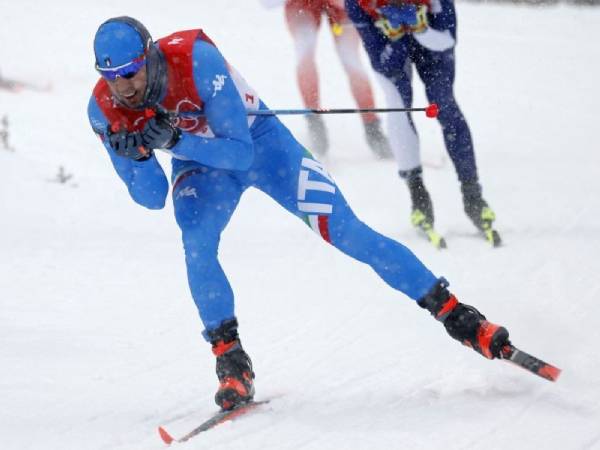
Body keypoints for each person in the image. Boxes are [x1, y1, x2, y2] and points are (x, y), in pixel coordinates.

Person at [88, 16, 510, 411]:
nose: (123, 86)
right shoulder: (104, 109)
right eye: (111, 76)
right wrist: (140, 157)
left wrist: (177, 141)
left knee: (346, 231)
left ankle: (458, 316)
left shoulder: (196, 59)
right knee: (196, 245)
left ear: (150, 55)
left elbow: (240, 153)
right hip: (201, 166)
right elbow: (152, 198)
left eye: (131, 71)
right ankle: (231, 361)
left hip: (262, 146)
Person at [345, 0, 500, 247]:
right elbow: (381, 61)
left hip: (433, 45)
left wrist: (420, 29)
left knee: (445, 105)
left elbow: (447, 40)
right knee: (398, 107)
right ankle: (418, 196)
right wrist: (395, 37)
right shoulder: (357, 3)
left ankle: (473, 196)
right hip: (391, 49)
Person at [282, 0, 391, 157]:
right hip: (301, 5)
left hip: (341, 6)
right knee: (306, 52)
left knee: (350, 59)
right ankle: (315, 122)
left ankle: (372, 127)